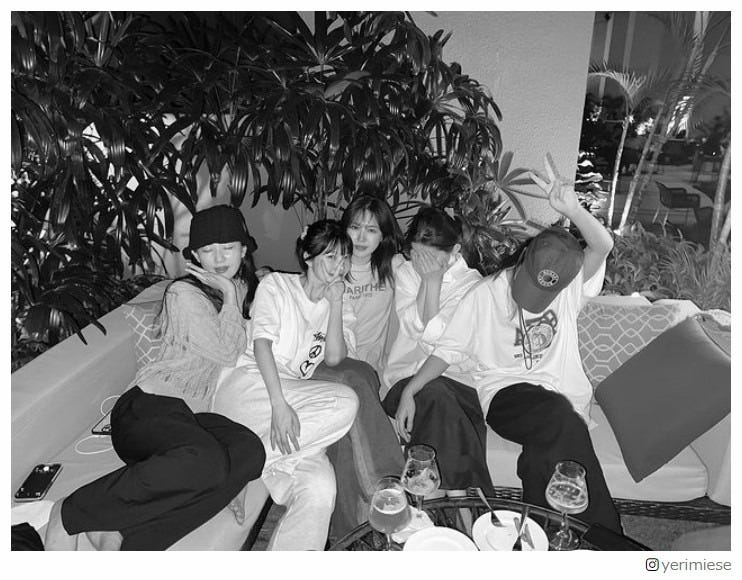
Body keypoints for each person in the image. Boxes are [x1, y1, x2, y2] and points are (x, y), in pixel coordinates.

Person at [387, 155, 622, 532]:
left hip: (559, 398)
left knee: (550, 446)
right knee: (558, 419)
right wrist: (412, 389)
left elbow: (602, 245)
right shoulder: (485, 293)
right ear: (524, 260)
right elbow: (448, 349)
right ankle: (602, 539)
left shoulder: (567, 287)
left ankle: (539, 531)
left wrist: (574, 210)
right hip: (506, 393)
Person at [44, 204, 266, 550]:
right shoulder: (183, 294)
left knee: (250, 452)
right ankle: (71, 511)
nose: (220, 258)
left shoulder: (238, 288)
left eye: (228, 248)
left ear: (243, 250)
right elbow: (226, 351)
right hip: (146, 409)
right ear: (195, 256)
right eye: (208, 250)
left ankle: (128, 538)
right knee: (208, 463)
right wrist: (230, 297)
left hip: (190, 421)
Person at [211, 219, 360, 550]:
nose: (340, 266)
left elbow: (334, 357)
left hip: (287, 404)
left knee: (320, 488)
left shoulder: (340, 303)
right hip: (251, 387)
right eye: (331, 256)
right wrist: (279, 405)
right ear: (308, 256)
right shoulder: (277, 285)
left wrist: (335, 304)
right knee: (345, 402)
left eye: (345, 258)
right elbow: (261, 345)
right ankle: (238, 469)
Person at [310, 194, 406, 538]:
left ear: (384, 235)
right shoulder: (333, 263)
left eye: (372, 229)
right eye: (355, 227)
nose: (362, 237)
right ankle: (388, 489)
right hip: (332, 367)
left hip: (368, 374)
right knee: (354, 384)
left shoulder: (393, 267)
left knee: (347, 443)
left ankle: (347, 533)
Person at [381, 206, 487, 494]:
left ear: (455, 250)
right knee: (436, 396)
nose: (421, 263)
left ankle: (428, 500)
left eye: (431, 257)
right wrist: (428, 281)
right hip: (405, 377)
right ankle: (464, 504)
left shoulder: (473, 285)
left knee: (439, 398)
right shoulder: (406, 272)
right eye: (416, 254)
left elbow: (440, 344)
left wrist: (433, 282)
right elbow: (415, 329)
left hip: (459, 382)